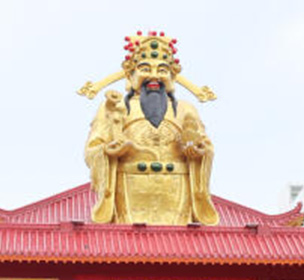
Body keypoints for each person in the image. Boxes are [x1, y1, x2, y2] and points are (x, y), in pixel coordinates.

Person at [82, 33, 218, 226]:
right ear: (130, 75)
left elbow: (206, 147)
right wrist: (108, 151)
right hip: (130, 187)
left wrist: (199, 153)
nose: (154, 76)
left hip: (177, 190)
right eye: (145, 69)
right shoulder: (114, 108)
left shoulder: (186, 109)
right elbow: (93, 148)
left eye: (163, 70)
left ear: (173, 76)